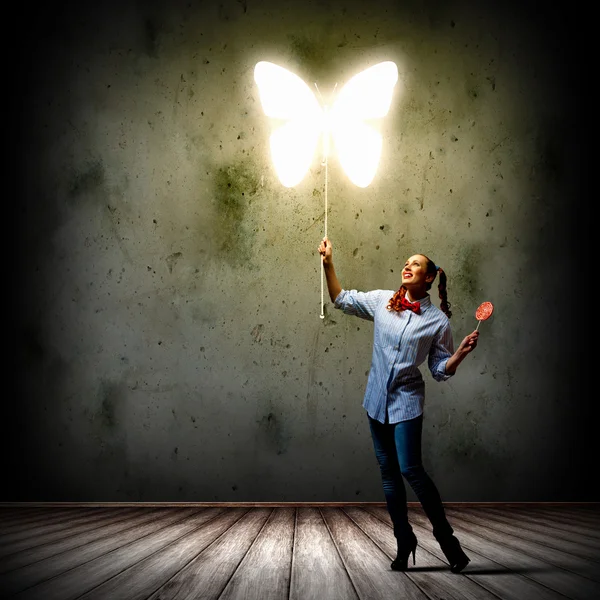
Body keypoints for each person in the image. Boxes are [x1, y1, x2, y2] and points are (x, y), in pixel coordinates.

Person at [317, 235, 479, 573]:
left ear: (430, 277)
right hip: (376, 401)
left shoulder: (438, 322)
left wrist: (459, 354)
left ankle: (448, 541)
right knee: (389, 476)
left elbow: (438, 370)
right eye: (406, 262)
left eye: (416, 263)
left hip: (407, 402)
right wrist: (329, 263)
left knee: (410, 469)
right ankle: (404, 541)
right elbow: (340, 299)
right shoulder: (381, 302)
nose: (407, 266)